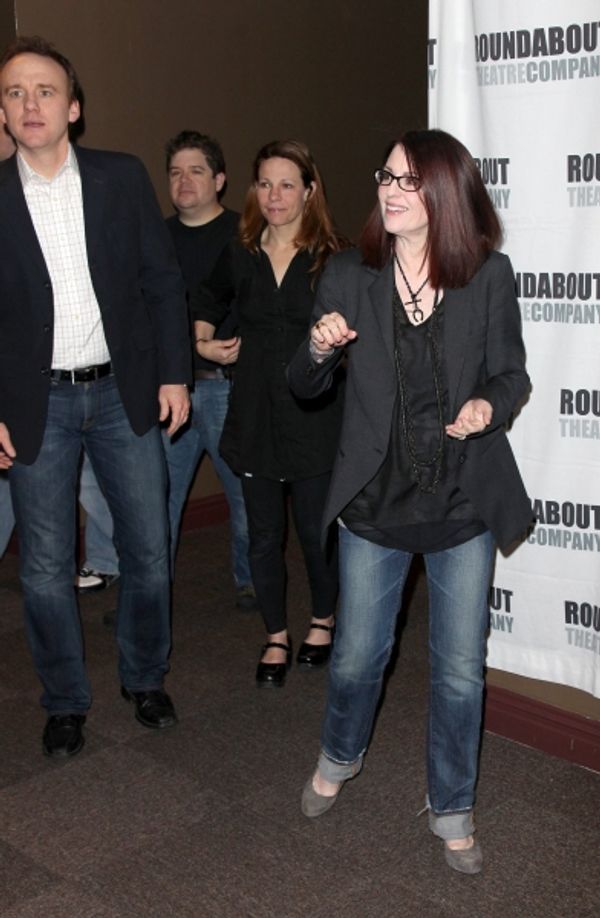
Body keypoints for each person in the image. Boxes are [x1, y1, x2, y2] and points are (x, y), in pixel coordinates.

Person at [288, 129, 533, 874]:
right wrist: (321, 348)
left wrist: (487, 409)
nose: (390, 191)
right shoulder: (348, 276)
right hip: (376, 503)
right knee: (360, 658)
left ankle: (452, 803)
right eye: (386, 177)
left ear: (445, 194)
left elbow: (511, 377)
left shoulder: (487, 276)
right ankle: (340, 752)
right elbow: (304, 384)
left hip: (461, 502)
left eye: (408, 180)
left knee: (460, 669)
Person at [0, 36, 191, 758]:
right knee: (45, 566)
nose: (30, 104)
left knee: (148, 550)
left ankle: (145, 678)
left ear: (73, 108)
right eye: (15, 93)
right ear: (3, 113)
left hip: (123, 393)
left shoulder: (120, 176)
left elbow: (160, 280)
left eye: (45, 90)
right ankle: (64, 702)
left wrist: (174, 373)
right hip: (34, 406)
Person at [193, 140, 346, 687]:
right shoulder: (241, 251)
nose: (274, 195)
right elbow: (208, 298)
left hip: (315, 415)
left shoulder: (334, 256)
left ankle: (323, 618)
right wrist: (204, 341)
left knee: (312, 531)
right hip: (255, 410)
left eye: (287, 184)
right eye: (265, 184)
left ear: (309, 190)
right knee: (261, 533)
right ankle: (276, 633)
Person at [162, 131, 255, 607]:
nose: (184, 181)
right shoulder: (154, 238)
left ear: (219, 179)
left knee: (244, 498)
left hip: (226, 391)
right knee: (159, 502)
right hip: (168, 392)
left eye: (196, 170)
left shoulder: (246, 235)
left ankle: (252, 582)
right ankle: (153, 591)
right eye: (176, 172)